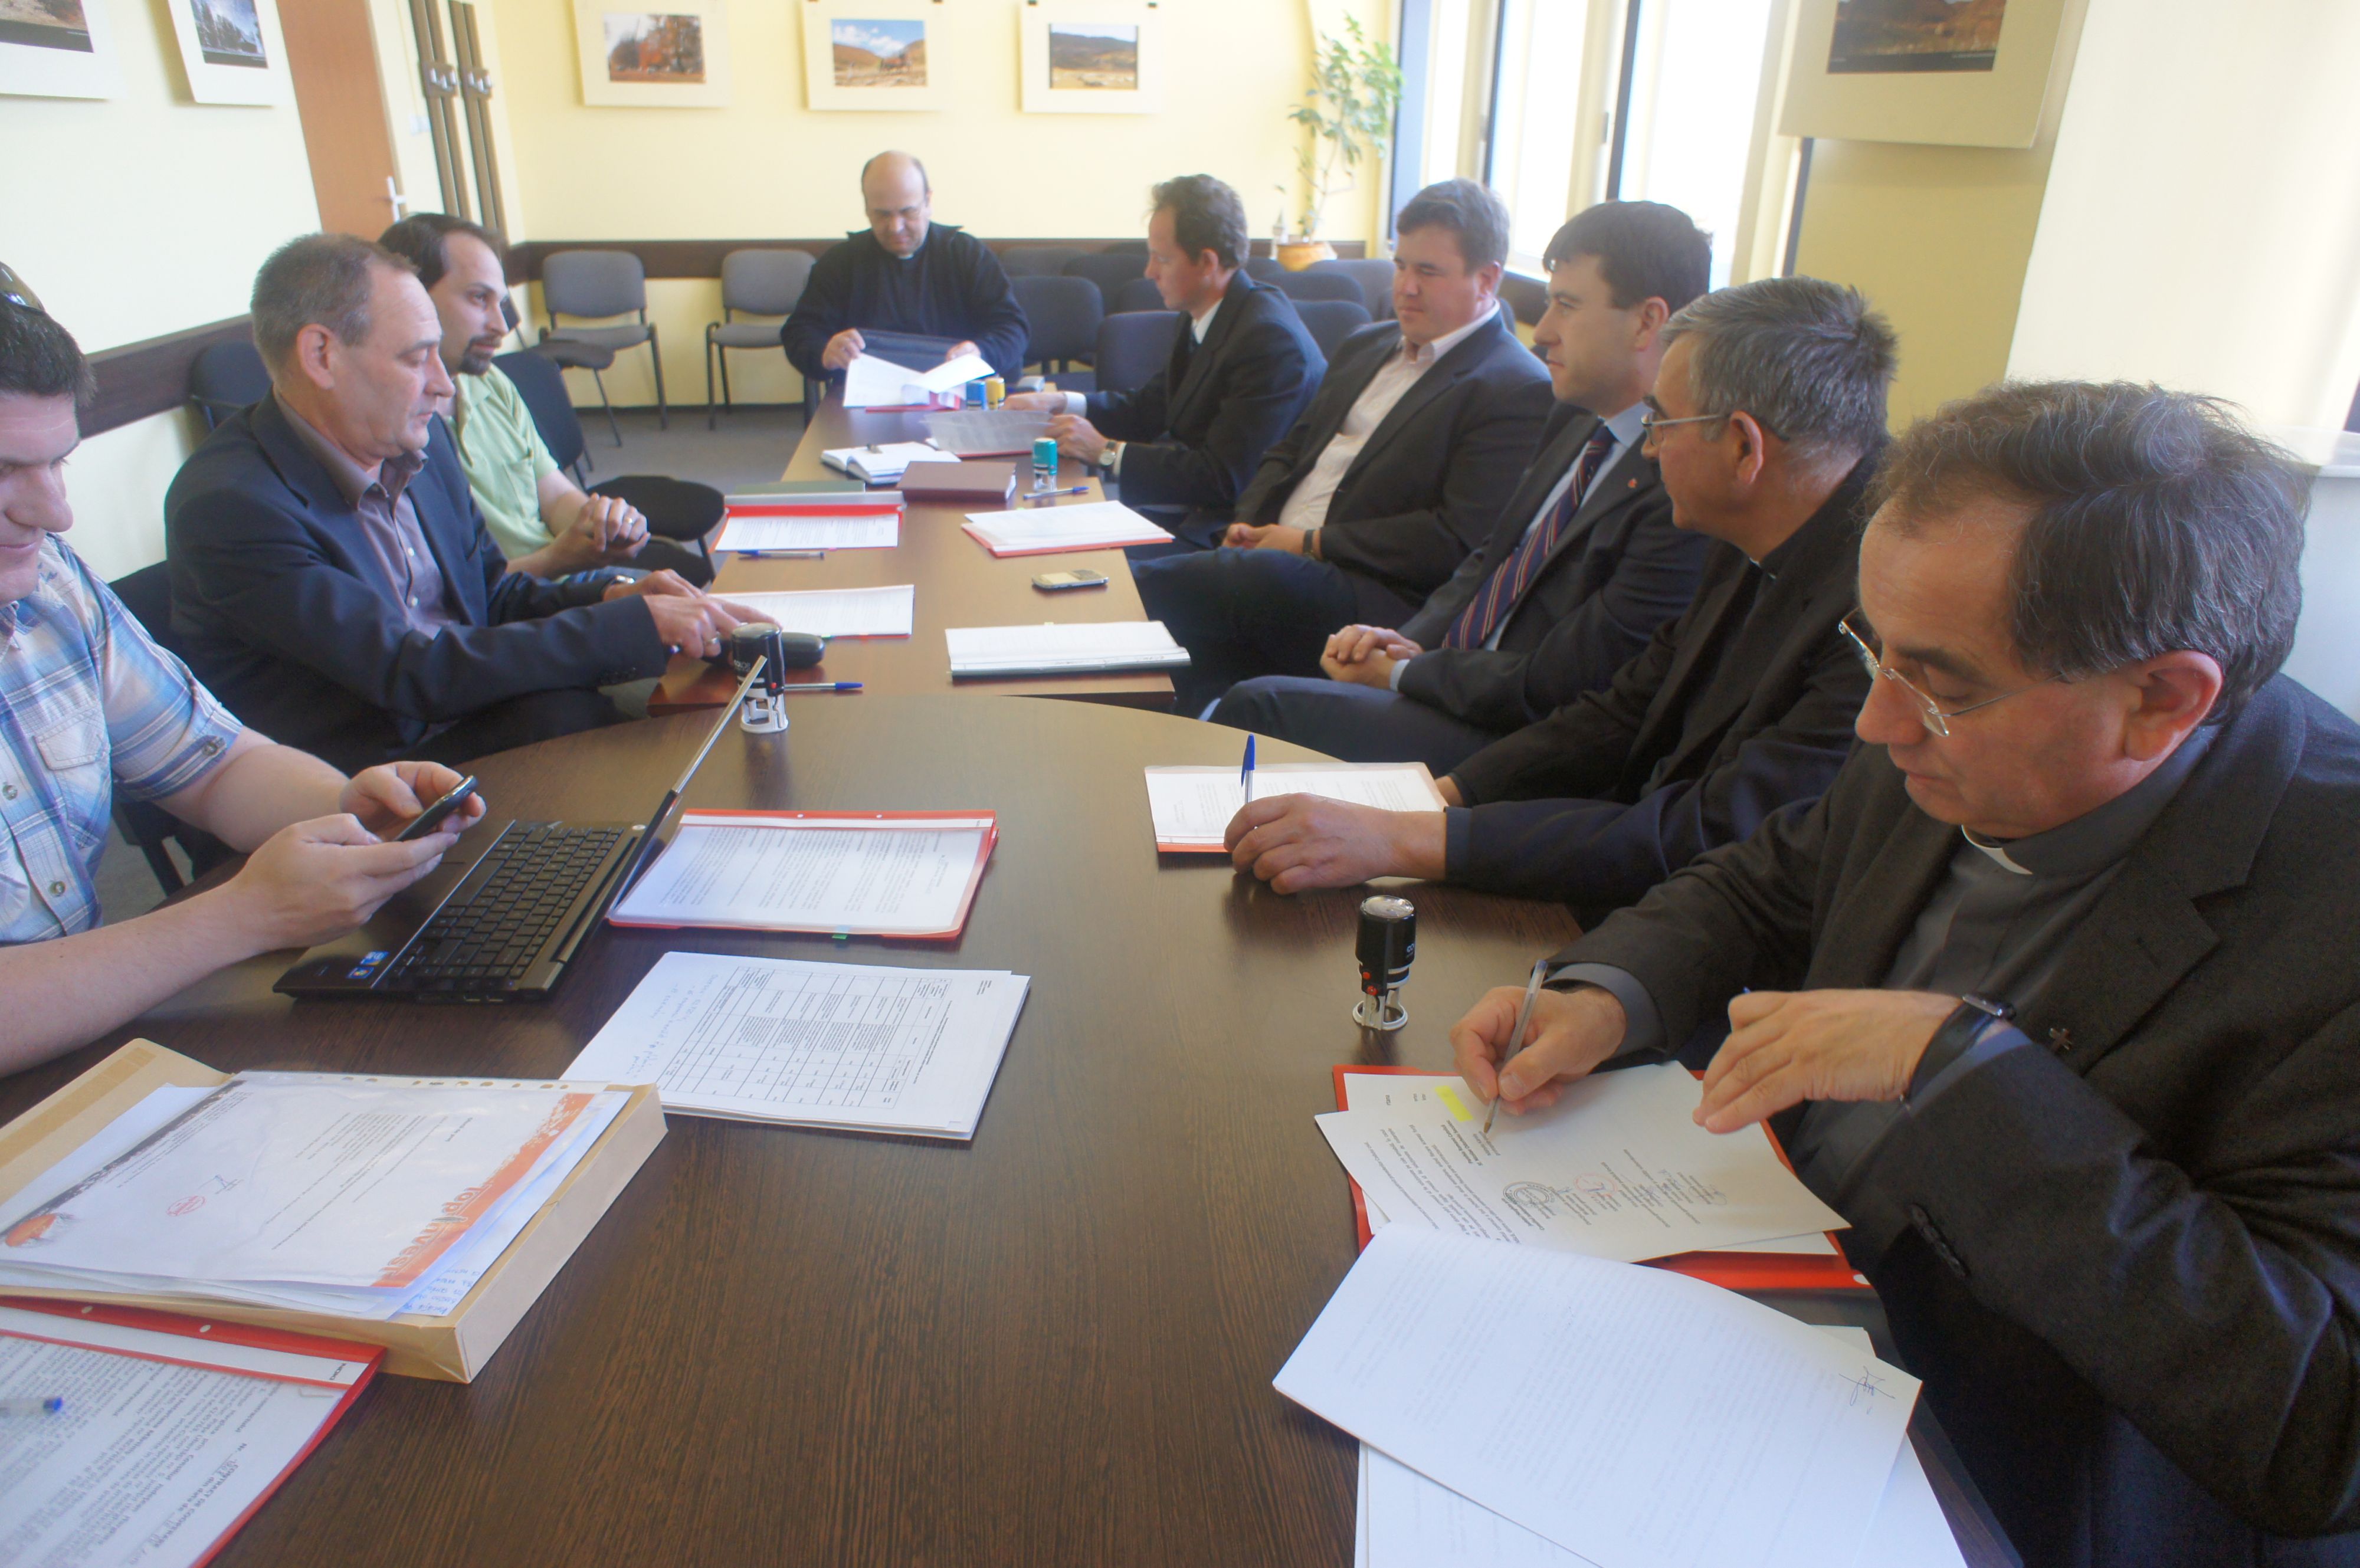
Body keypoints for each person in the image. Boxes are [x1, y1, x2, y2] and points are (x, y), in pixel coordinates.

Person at [1451, 381, 2360, 1566]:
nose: (1876, 723)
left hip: (1989, 1467)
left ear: (2160, 700)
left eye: (1939, 684)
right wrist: (1603, 992)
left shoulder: (2332, 912)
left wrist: (1964, 1071)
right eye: (1868, 648)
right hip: (1743, 1294)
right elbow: (1769, 881)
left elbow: (2314, 1417)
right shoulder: (1932, 725)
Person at [1225, 278, 1890, 927]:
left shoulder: (1880, 613)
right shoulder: (1758, 520)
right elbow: (1625, 709)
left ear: (1744, 447)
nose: (1649, 446)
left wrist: (1408, 839)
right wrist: (1441, 798)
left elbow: (1705, 834)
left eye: (1661, 422)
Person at [0, 295, 486, 1078]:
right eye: (2, 472)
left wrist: (347, 807)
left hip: (83, 1057)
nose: (56, 513)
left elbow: (215, 764)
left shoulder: (50, 587)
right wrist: (240, 917)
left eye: (57, 463)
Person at [166, 234, 753, 773]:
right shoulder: (231, 506)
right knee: (640, 742)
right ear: (322, 355)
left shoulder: (420, 443)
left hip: (466, 713)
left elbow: (490, 596)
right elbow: (408, 671)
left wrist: (611, 596)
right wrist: (624, 627)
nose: (444, 385)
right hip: (370, 774)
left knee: (704, 720)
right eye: (415, 357)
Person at [1208, 201, 1714, 775]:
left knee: (1259, 707)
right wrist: (1405, 643)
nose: (1545, 331)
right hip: (1455, 680)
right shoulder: (1577, 417)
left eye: (1567, 306)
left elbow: (1569, 678)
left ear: (1648, 322)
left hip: (1520, 742)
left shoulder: (1677, 489)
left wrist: (1407, 673)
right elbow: (1489, 559)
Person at [1127, 179, 1553, 714]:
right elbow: (1289, 451)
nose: (1406, 288)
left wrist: (1309, 543)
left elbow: (1452, 538)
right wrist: (1249, 523)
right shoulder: (1366, 344)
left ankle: (1088, 603)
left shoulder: (1513, 386)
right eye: (1401, 266)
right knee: (1186, 647)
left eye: (1428, 272)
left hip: (1370, 590)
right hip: (1275, 557)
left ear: (1487, 279)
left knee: (1213, 581)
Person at [377, 213, 717, 587]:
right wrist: (556, 561)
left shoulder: (490, 382)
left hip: (559, 583)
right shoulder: (388, 432)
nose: (501, 326)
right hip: (514, 603)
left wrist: (601, 524)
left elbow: (554, 497)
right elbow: (451, 593)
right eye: (478, 298)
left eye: (501, 302)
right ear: (412, 297)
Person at [1002, 174, 1324, 539]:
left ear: (1207, 263)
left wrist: (1106, 452)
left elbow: (1224, 479)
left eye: (1162, 259)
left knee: (1060, 547)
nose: (1149, 272)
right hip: (1193, 510)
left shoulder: (1268, 341)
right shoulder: (1207, 311)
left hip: (1234, 535)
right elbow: (1154, 407)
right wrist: (1062, 403)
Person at [781, 152, 1030, 384]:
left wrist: (980, 352)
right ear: (866, 208)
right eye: (882, 215)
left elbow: (1012, 328)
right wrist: (824, 351)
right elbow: (800, 332)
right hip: (864, 399)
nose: (896, 227)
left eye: (908, 212)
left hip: (958, 395)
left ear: (928, 202)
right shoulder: (841, 262)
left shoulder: (967, 255)